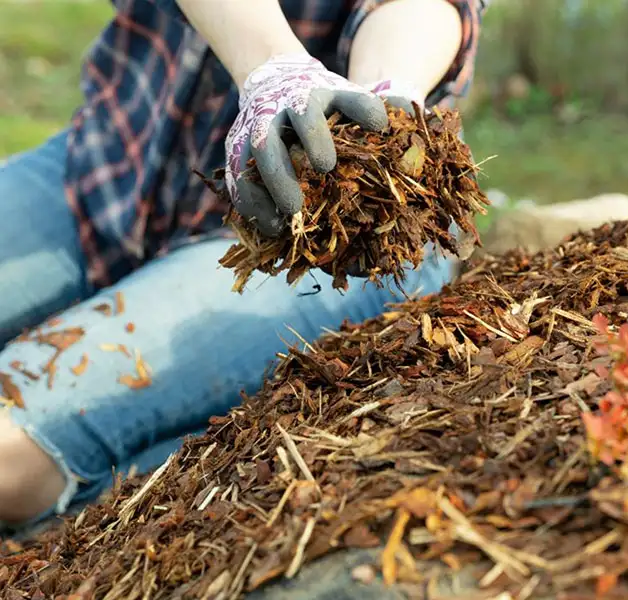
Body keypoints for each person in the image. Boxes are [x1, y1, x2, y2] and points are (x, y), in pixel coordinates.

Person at [0, 0, 489, 529]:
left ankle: (150, 484)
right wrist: (274, 68)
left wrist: (385, 96)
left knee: (9, 458)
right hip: (112, 162)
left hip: (314, 241)